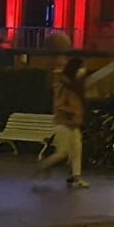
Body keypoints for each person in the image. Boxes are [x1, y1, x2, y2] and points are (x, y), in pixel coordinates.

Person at [36, 57, 89, 188]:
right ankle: (43, 166)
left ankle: (76, 177)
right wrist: (71, 113)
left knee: (77, 150)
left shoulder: (75, 85)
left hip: (73, 123)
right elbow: (59, 105)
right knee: (63, 152)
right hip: (64, 122)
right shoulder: (64, 86)